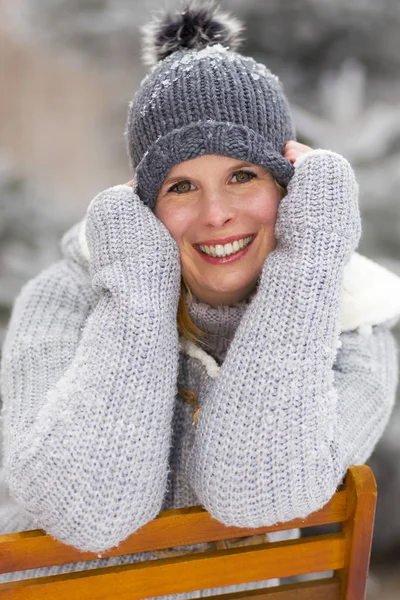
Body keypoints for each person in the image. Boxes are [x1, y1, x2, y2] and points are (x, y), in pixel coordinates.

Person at [0, 2, 399, 596]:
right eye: (180, 186)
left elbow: (253, 489)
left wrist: (311, 261)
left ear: (287, 187)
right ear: (142, 207)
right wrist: (139, 291)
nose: (216, 215)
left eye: (244, 176)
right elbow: (85, 509)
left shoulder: (354, 321)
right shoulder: (66, 301)